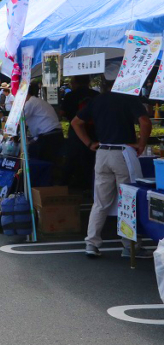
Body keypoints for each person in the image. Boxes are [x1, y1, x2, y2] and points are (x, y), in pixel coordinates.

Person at [71, 69, 152, 258]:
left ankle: (91, 243)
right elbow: (145, 122)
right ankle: (129, 245)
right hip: (122, 154)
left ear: (105, 83)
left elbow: (76, 122)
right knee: (128, 200)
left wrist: (89, 143)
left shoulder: (97, 100)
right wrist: (141, 143)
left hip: (102, 153)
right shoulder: (128, 98)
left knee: (100, 202)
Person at [59, 75, 98, 192]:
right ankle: (90, 186)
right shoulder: (96, 95)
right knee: (92, 159)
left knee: (72, 158)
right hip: (94, 131)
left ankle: (65, 186)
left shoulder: (70, 95)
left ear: (75, 82)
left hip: (76, 131)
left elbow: (62, 113)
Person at [23, 84, 64, 163]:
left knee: (44, 163)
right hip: (55, 133)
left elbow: (19, 119)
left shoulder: (30, 103)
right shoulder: (37, 101)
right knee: (52, 163)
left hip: (49, 136)